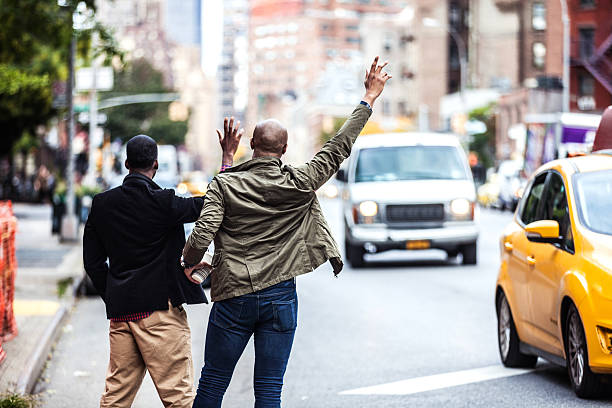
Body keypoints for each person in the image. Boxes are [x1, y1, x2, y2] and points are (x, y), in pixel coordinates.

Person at [182, 56, 391, 408]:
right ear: (284, 149)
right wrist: (369, 96)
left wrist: (188, 262)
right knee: (268, 389)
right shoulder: (300, 182)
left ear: (252, 145)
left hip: (233, 297)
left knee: (213, 384)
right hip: (280, 297)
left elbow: (203, 234)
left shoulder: (224, 184)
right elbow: (339, 146)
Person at [83, 129, 242, 408]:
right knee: (179, 398)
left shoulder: (102, 204)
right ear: (155, 164)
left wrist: (114, 294)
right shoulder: (165, 203)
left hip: (122, 314)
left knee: (116, 398)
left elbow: (93, 262)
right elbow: (213, 205)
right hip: (160, 313)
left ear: (126, 164)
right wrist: (227, 158)